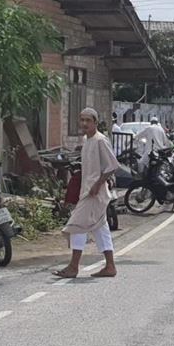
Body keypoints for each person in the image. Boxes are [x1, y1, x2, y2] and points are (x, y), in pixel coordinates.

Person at [54, 108, 119, 279]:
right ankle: (110, 266)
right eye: (82, 120)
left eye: (88, 120)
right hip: (87, 191)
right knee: (100, 227)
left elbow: (112, 165)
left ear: (95, 122)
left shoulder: (100, 141)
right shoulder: (86, 140)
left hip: (95, 193)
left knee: (76, 225)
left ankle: (74, 266)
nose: (84, 123)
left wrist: (98, 184)